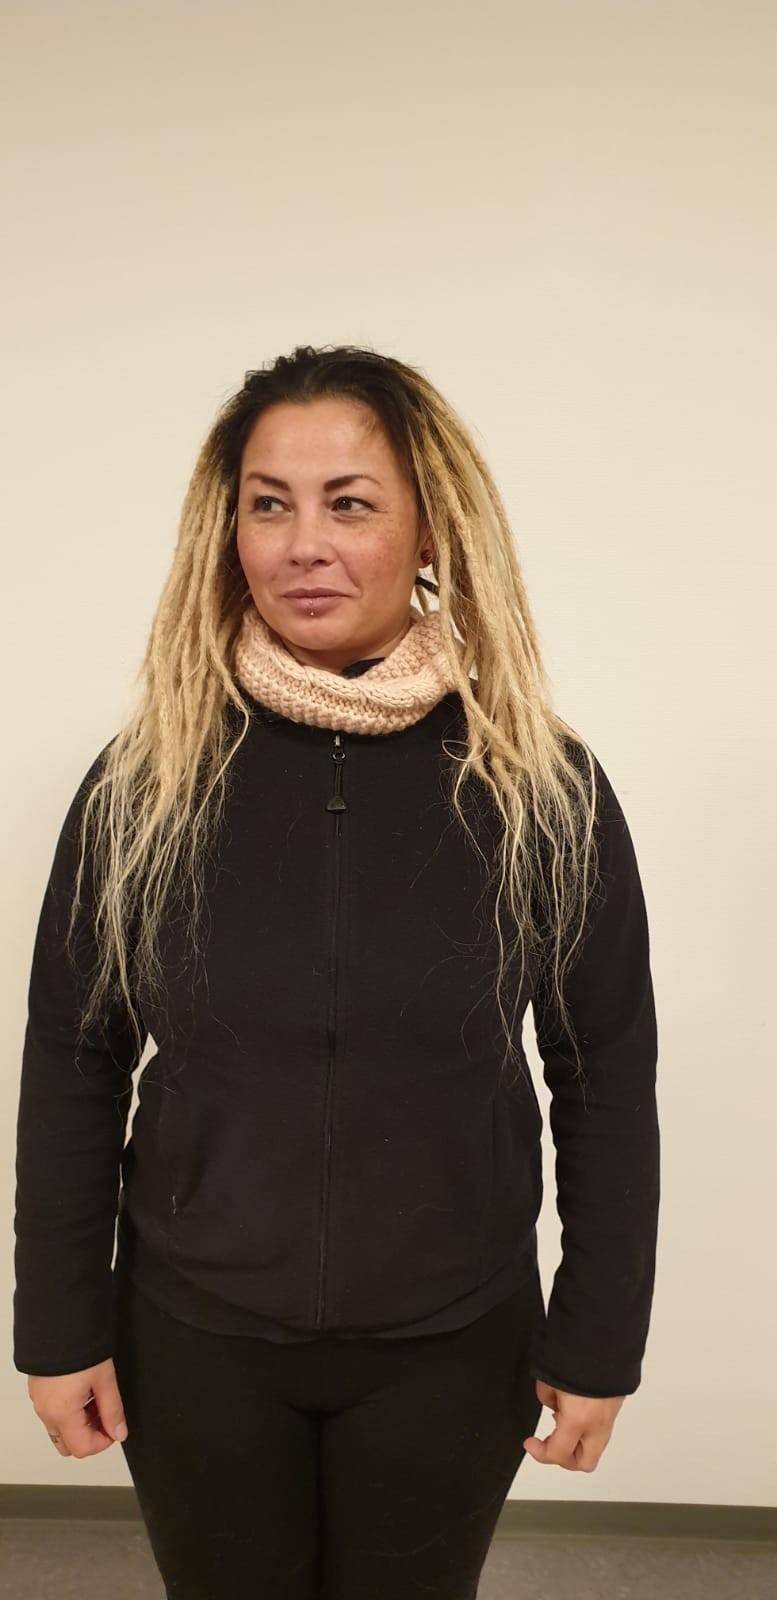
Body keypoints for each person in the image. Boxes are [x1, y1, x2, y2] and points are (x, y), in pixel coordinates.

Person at [13, 345, 660, 1600]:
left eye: (350, 502)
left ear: (429, 530)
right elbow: (74, 1059)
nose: (304, 543)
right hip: (193, 1338)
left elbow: (604, 1074)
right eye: (270, 504)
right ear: (230, 532)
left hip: (450, 1343)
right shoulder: (145, 782)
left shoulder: (542, 787)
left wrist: (599, 1338)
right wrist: (57, 1324)